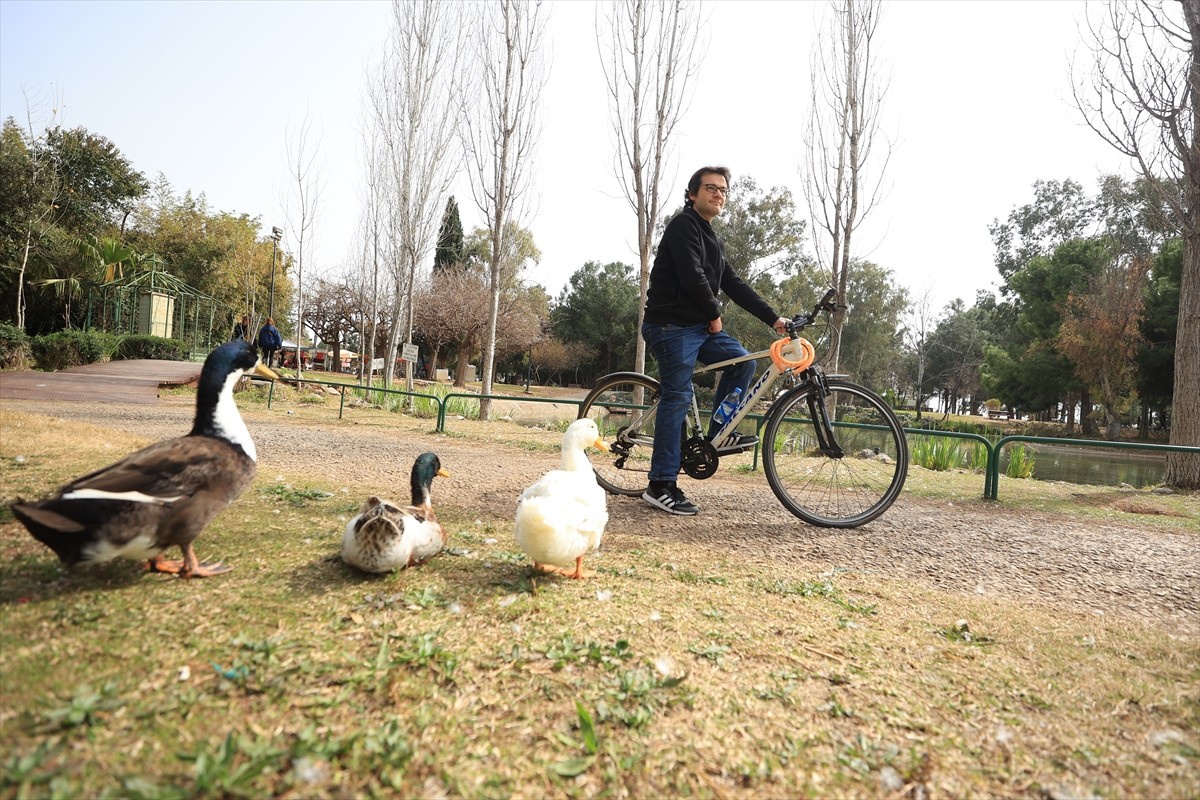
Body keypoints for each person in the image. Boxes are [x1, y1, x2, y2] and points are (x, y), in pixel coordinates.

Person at [640, 166, 789, 516]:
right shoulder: (682, 227)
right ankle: (660, 484)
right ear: (693, 194)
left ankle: (720, 433)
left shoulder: (712, 240)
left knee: (744, 361)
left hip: (697, 329)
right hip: (669, 326)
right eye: (710, 188)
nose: (718, 194)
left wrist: (774, 318)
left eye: (723, 190)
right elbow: (692, 276)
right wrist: (713, 313)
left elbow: (733, 284)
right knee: (677, 397)